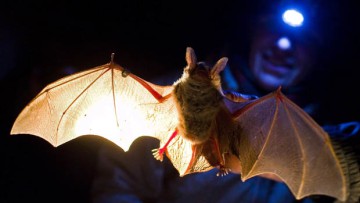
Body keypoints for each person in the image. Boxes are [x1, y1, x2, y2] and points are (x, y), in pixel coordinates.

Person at [91, 1, 360, 203]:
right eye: (272, 30)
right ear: (254, 35)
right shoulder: (174, 97)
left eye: (303, 41)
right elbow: (119, 185)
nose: (284, 45)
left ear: (317, 53)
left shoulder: (318, 122)